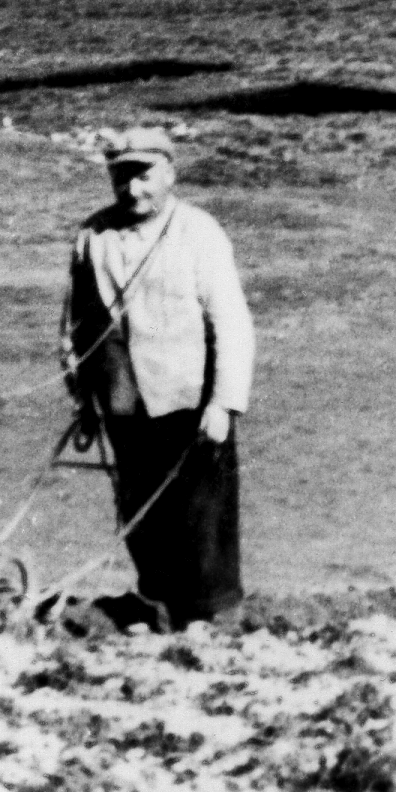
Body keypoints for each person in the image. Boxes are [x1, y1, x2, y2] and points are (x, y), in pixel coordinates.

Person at [61, 127, 255, 629]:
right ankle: (159, 604)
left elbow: (231, 321)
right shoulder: (92, 235)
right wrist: (82, 395)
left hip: (189, 397)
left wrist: (224, 404)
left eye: (144, 176)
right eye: (122, 177)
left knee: (201, 511)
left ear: (170, 173)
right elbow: (76, 323)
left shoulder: (200, 232)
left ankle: (214, 614)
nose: (133, 190)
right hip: (123, 400)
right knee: (139, 508)